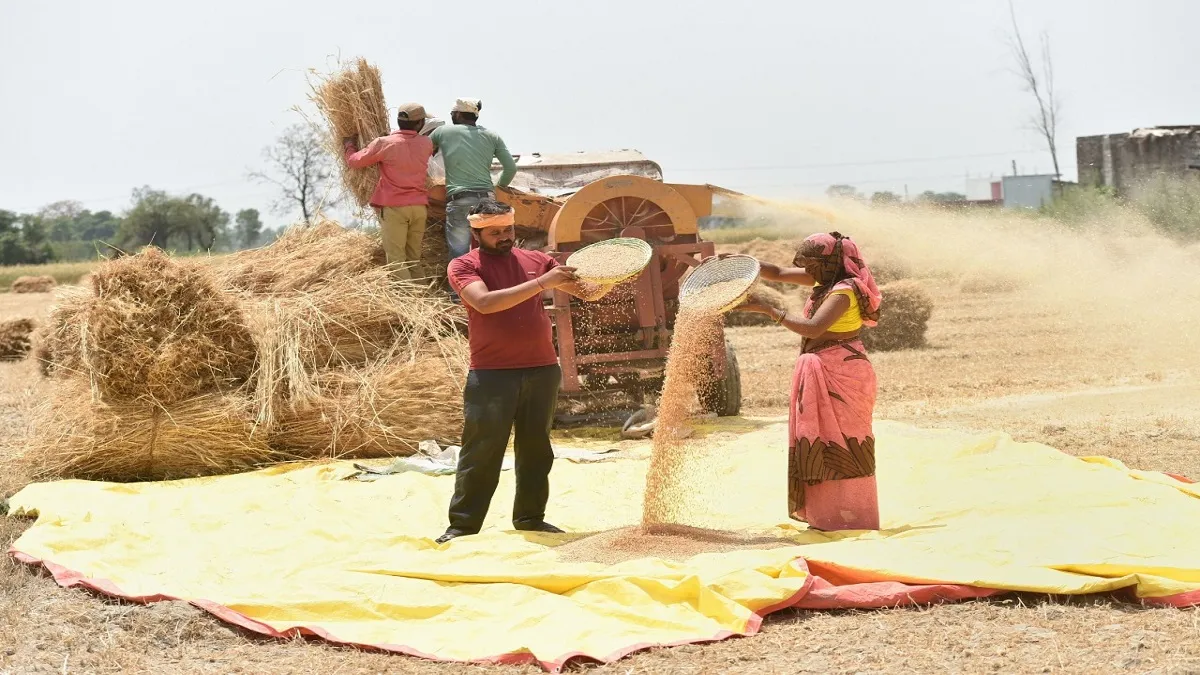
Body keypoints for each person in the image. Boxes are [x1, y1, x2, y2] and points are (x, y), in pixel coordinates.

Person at [438, 199, 612, 544]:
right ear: (476, 233)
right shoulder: (463, 265)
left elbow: (587, 293)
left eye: (509, 230)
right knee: (482, 450)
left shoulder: (536, 261)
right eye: (495, 232)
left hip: (543, 369)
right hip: (492, 373)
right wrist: (542, 283)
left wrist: (614, 274)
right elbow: (485, 303)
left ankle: (531, 518)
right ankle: (463, 526)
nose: (504, 237)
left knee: (536, 449)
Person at [730, 232, 883, 531]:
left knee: (844, 447)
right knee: (818, 445)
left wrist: (768, 308)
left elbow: (813, 328)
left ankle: (854, 517)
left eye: (813, 265)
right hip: (820, 368)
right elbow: (776, 272)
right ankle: (825, 515)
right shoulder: (824, 280)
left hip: (842, 371)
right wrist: (734, 263)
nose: (808, 271)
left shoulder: (844, 291)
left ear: (831, 263)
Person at [343, 103, 435, 280]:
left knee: (396, 260)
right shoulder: (427, 143)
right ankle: (423, 296)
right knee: (414, 259)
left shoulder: (384, 143)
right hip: (419, 208)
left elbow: (355, 161)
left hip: (395, 209)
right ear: (421, 123)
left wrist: (349, 146)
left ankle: (410, 301)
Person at [429, 98, 518, 262]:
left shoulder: (442, 132)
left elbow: (420, 153)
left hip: (459, 200)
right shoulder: (492, 136)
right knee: (489, 252)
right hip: (488, 201)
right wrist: (498, 187)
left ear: (458, 114)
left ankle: (458, 288)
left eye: (452, 113)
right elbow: (511, 168)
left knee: (459, 254)